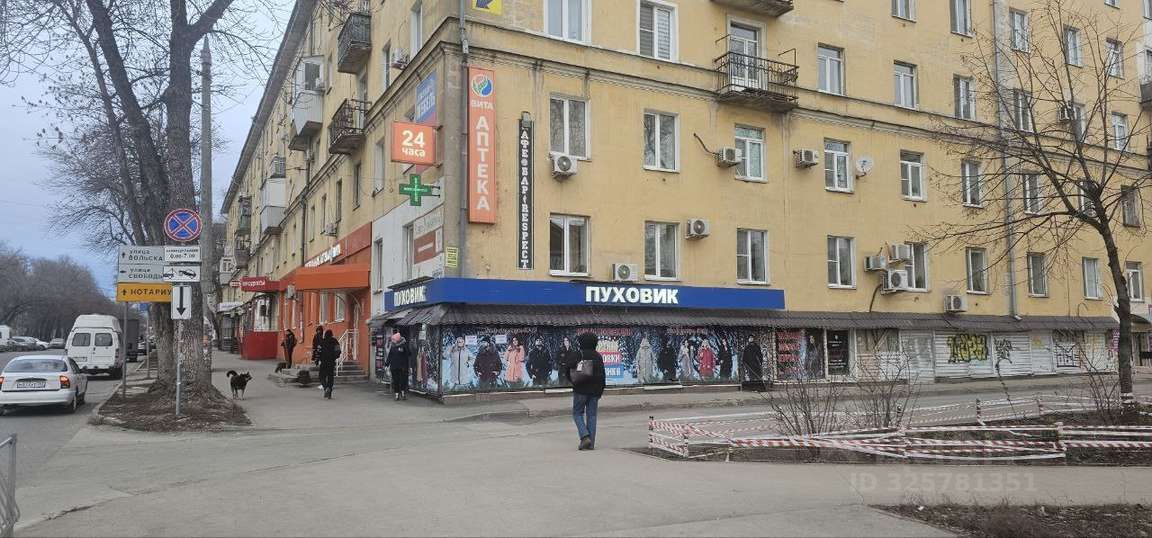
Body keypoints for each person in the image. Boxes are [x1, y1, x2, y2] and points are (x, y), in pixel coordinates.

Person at [569, 332, 606, 451]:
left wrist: (573, 382)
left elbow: (568, 369)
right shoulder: (598, 356)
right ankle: (591, 444)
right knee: (592, 416)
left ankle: (584, 436)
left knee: (577, 413)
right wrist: (600, 390)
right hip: (595, 391)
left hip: (580, 390)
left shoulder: (578, 354)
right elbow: (602, 375)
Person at [385, 331, 411, 401]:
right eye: (392, 339)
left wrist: (405, 348)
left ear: (398, 339)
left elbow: (409, 353)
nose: (393, 341)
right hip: (394, 367)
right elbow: (390, 356)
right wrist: (386, 364)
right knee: (395, 381)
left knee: (403, 381)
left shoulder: (404, 345)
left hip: (402, 367)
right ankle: (397, 395)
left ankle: (403, 394)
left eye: (394, 339)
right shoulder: (393, 346)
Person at [317, 329, 340, 399]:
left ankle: (325, 387)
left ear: (325, 334)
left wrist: (318, 359)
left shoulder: (322, 341)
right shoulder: (335, 341)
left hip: (324, 362)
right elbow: (338, 351)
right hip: (331, 362)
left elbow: (318, 351)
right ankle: (329, 392)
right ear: (331, 334)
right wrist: (334, 357)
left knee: (321, 376)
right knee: (330, 377)